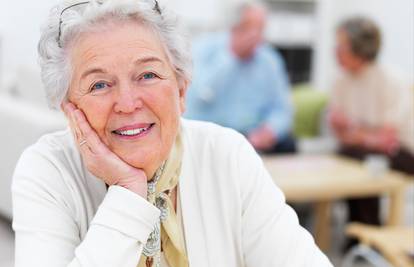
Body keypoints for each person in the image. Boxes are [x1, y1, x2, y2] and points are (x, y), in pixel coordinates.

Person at [12, 1, 332, 266]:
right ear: (70, 108)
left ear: (181, 89)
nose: (127, 103)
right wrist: (128, 192)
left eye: (148, 75)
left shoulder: (226, 154)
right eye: (99, 84)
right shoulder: (47, 171)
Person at [329, 16, 414, 247]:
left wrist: (354, 129)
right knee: (348, 155)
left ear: (361, 49)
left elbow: (388, 139)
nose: (335, 51)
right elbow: (340, 132)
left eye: (341, 46)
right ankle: (361, 233)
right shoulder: (340, 81)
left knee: (363, 159)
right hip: (363, 150)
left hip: (403, 152)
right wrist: (365, 134)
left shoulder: (391, 79)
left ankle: (367, 234)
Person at [184, 3, 296, 154]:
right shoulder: (204, 49)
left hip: (252, 134)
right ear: (233, 27)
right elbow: (200, 96)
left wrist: (270, 130)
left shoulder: (270, 59)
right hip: (213, 133)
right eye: (248, 28)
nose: (255, 36)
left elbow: (282, 108)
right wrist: (232, 57)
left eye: (260, 29)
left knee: (289, 143)